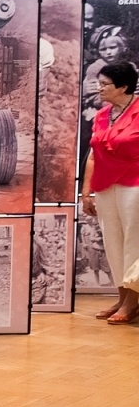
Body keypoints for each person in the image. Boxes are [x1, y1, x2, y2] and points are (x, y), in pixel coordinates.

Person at [81, 62, 139, 322]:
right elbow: (93, 155)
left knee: (133, 244)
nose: (99, 88)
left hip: (134, 185)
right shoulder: (102, 115)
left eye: (105, 84)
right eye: (99, 82)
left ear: (123, 87)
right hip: (105, 186)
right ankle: (121, 299)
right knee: (113, 244)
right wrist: (86, 192)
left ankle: (132, 302)